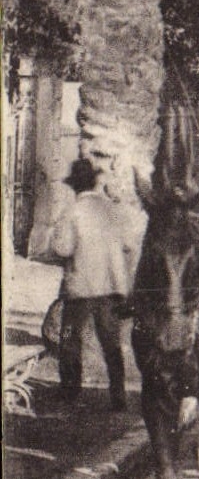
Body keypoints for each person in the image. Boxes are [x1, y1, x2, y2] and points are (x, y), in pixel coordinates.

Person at [52, 159, 136, 411]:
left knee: (70, 339)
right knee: (111, 343)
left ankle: (70, 391)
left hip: (80, 288)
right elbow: (129, 245)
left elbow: (63, 248)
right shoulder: (112, 210)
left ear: (75, 186)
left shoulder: (73, 211)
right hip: (110, 288)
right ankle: (118, 395)